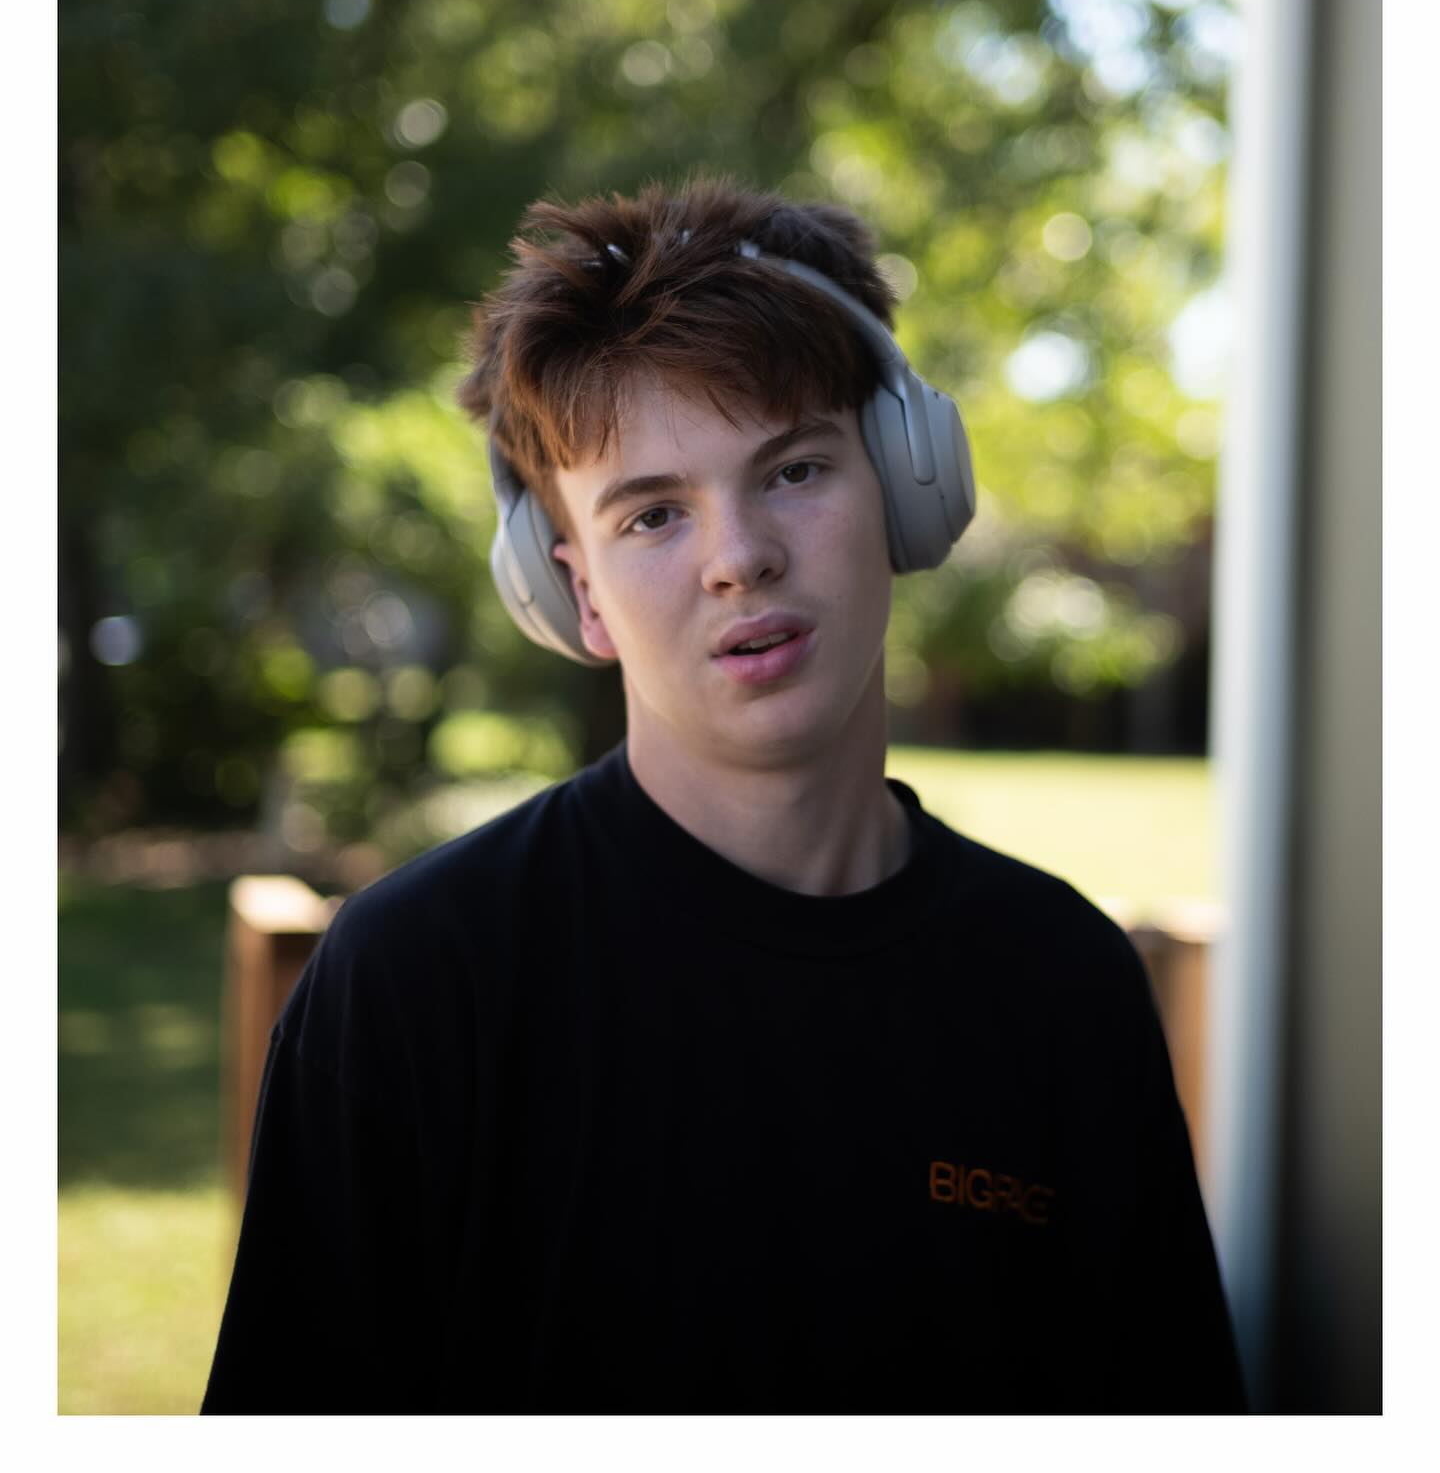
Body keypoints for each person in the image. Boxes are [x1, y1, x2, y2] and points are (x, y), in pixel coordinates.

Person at [201, 173, 1246, 1416]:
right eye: (651, 517)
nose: (738, 557)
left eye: (795, 472)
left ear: (912, 487)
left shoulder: (1063, 983)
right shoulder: (417, 984)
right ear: (573, 590)